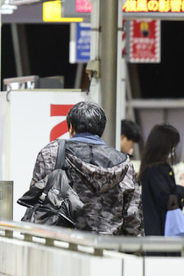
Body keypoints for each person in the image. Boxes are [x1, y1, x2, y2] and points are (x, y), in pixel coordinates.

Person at [27, 101, 142, 235]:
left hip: (62, 246)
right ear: (101, 131)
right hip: (107, 248)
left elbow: (36, 201)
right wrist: (134, 251)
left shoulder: (52, 153)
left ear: (71, 128)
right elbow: (133, 215)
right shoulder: (124, 163)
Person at [138, 123, 184, 236]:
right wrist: (181, 187)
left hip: (160, 233)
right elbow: (168, 202)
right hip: (161, 234)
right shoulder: (156, 171)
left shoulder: (152, 169)